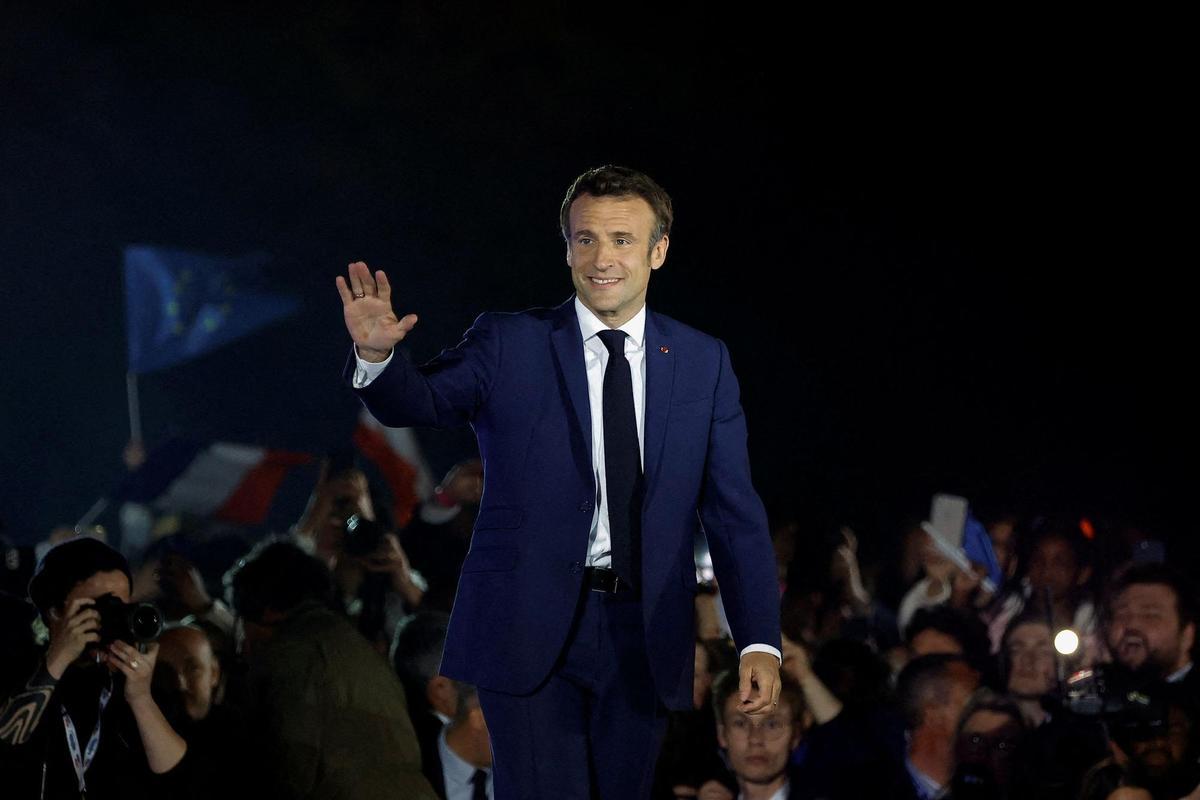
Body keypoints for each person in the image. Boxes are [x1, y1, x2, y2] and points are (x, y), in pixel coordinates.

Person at [336, 164, 782, 798]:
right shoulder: (510, 341)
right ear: (568, 245)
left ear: (658, 250)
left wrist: (759, 639)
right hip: (526, 626)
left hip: (645, 632)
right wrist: (379, 357)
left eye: (622, 240)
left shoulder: (703, 361)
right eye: (585, 238)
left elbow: (734, 514)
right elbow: (422, 402)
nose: (601, 258)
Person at [0, 537, 191, 798]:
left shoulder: (126, 682)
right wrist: (59, 656)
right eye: (98, 607)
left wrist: (140, 697)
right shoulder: (16, 664)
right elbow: (6, 739)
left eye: (120, 606)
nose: (111, 617)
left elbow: (176, 774)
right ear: (55, 611)